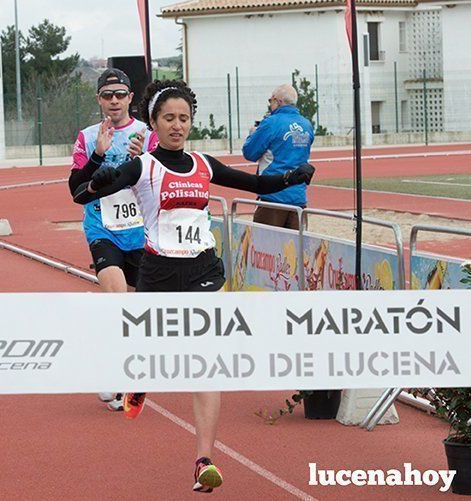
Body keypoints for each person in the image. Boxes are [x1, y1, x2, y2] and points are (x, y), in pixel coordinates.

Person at [73, 80, 314, 493]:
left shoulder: (203, 163)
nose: (177, 125)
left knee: (206, 362)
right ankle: (138, 379)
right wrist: (99, 178)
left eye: (184, 118)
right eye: (169, 118)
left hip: (203, 270)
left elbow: (254, 185)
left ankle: (204, 459)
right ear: (154, 122)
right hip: (158, 272)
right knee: (146, 346)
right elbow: (81, 194)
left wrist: (293, 175)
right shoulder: (143, 166)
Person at [68, 68, 158, 411]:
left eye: (121, 94)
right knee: (116, 298)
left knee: (136, 311)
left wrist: (143, 160)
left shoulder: (147, 135)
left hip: (140, 233)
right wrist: (98, 156)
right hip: (102, 229)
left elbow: (158, 180)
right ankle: (116, 373)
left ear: (131, 98)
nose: (115, 101)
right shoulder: (88, 136)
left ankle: (116, 364)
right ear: (99, 100)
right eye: (108, 95)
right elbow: (75, 187)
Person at [242, 84, 314, 230]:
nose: (270, 104)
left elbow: (249, 153)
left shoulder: (271, 123)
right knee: (295, 249)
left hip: (272, 196)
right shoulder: (307, 125)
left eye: (270, 100)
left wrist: (252, 134)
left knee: (264, 248)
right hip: (298, 197)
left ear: (278, 101)